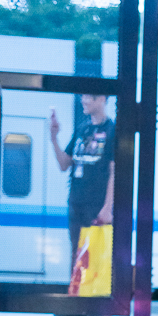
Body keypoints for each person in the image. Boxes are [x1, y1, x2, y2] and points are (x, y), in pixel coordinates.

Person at [49, 94, 115, 274]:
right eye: (83, 96)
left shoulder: (111, 130)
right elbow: (64, 164)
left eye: (88, 97)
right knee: (76, 257)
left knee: (95, 259)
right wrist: (54, 137)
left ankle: (93, 293)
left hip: (97, 207)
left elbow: (113, 172)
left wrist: (108, 207)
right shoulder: (82, 129)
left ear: (102, 99)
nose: (83, 100)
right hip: (76, 204)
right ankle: (76, 291)